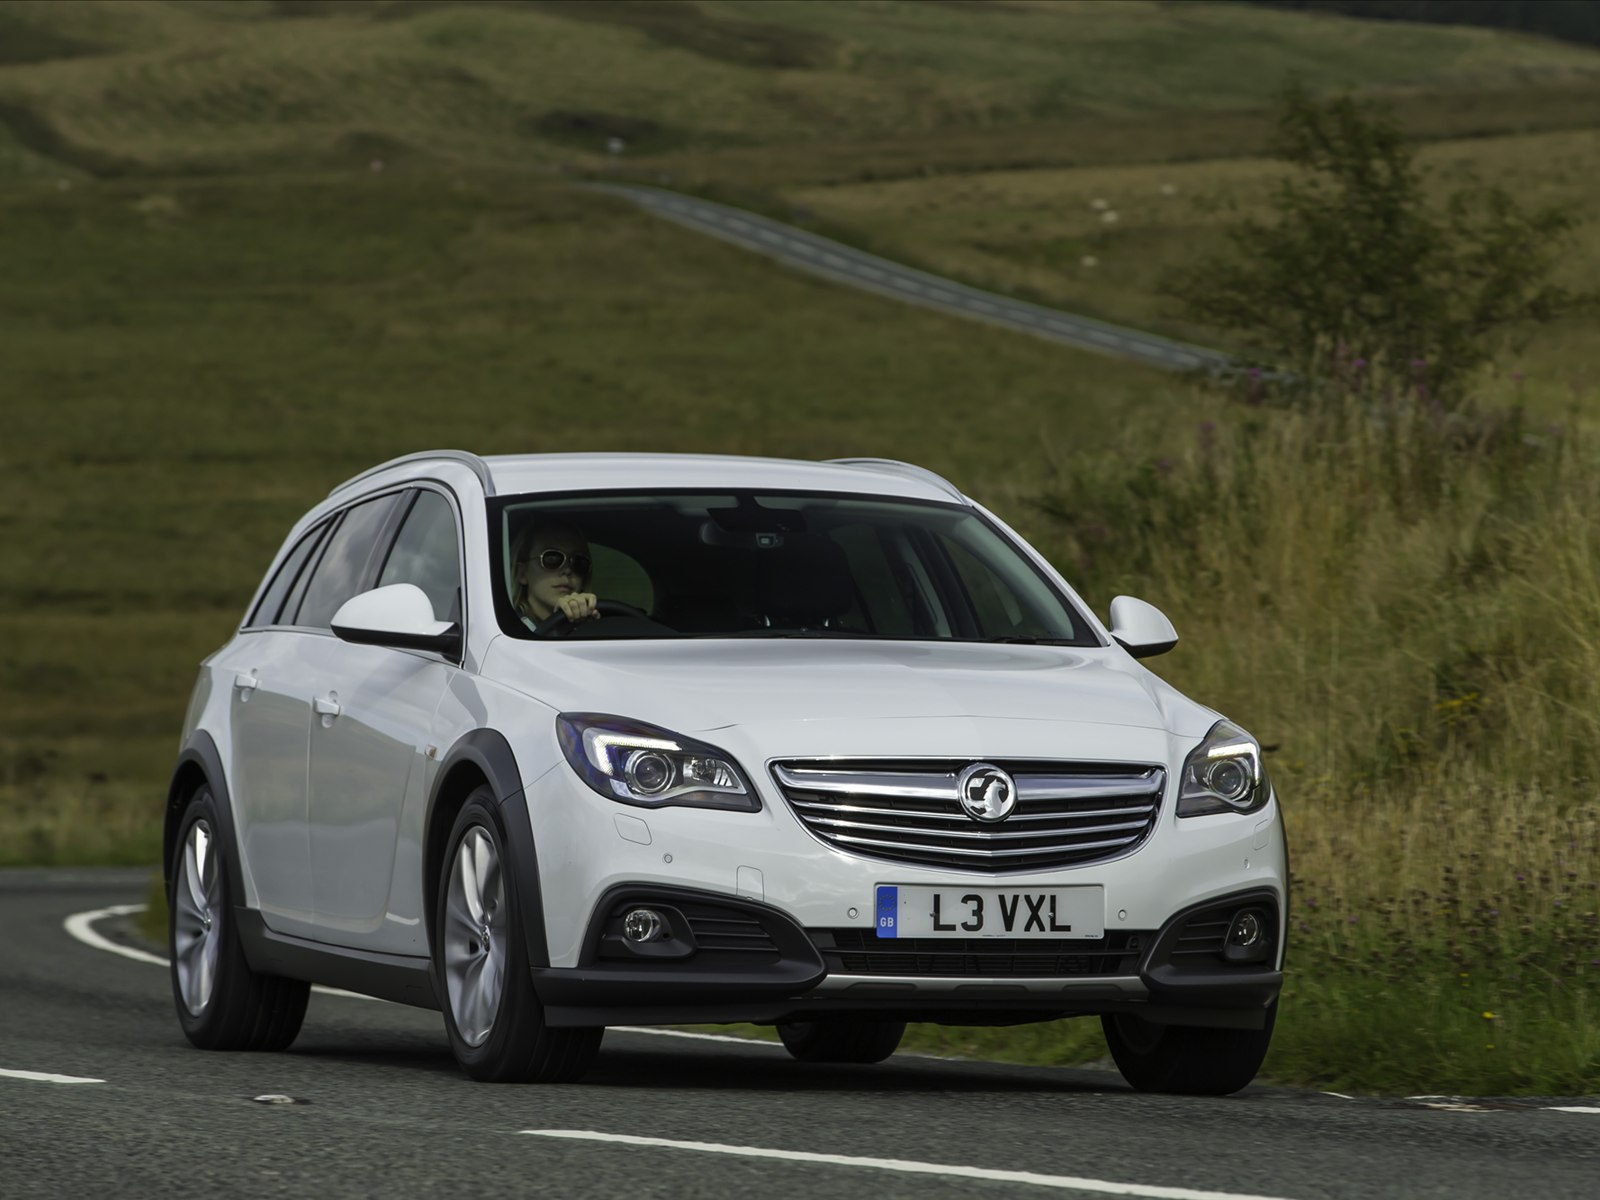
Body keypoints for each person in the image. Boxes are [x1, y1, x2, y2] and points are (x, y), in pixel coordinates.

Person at [510, 523, 600, 629]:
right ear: (522, 573)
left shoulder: (594, 621)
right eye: (552, 558)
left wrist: (589, 628)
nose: (567, 570)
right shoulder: (506, 629)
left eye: (579, 562)